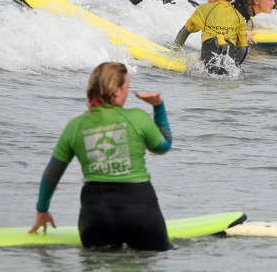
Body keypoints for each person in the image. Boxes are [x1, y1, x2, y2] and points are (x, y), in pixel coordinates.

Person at [28, 62, 173, 250]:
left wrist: (42, 210)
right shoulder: (137, 117)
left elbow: (51, 174)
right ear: (117, 90)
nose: (128, 93)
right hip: (140, 211)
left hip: (95, 215)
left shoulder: (76, 125)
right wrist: (158, 107)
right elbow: (163, 146)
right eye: (127, 88)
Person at [173, 0, 248, 72]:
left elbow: (185, 31)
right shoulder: (238, 16)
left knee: (207, 72)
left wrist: (175, 52)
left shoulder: (204, 9)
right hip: (229, 58)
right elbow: (243, 49)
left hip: (210, 50)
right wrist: (236, 66)